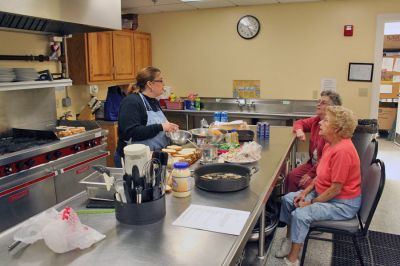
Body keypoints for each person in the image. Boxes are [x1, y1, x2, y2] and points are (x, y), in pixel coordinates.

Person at [276, 106, 361, 266]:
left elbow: (335, 189)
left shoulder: (343, 151)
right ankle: (289, 241)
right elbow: (320, 175)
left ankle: (292, 259)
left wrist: (309, 203)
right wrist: (304, 193)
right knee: (289, 199)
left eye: (326, 120)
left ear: (336, 128)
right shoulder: (330, 144)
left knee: (300, 214)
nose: (320, 123)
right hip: (325, 194)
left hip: (341, 204)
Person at [114, 67, 179, 167]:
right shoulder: (131, 102)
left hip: (153, 157)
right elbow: (131, 132)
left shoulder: (154, 102)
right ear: (150, 84)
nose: (164, 84)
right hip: (135, 161)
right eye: (161, 80)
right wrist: (161, 127)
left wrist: (168, 128)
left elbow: (156, 128)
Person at [286, 90, 342, 193]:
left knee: (305, 183)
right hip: (312, 164)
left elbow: (324, 160)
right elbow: (299, 122)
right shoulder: (316, 120)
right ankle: (290, 202)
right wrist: (299, 131)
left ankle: (302, 203)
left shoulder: (333, 130)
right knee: (292, 176)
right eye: (318, 101)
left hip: (323, 169)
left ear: (333, 108)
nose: (318, 105)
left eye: (323, 103)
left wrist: (310, 174)